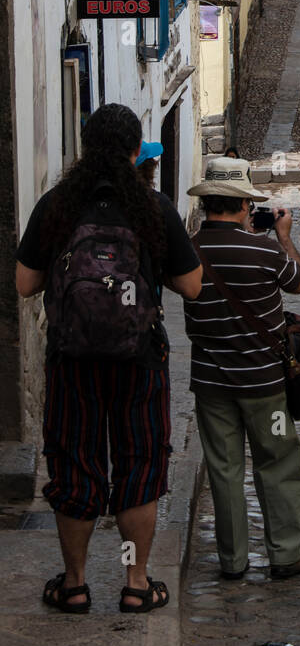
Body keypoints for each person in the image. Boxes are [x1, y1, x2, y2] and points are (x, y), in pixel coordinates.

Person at [15, 104, 202, 615]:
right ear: (133, 150)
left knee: (75, 466)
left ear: (84, 147)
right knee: (138, 464)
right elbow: (190, 284)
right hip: (139, 360)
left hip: (72, 361)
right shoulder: (152, 208)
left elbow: (25, 283)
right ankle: (135, 583)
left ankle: (74, 585)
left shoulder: (58, 205)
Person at [185, 158, 300, 582]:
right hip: (265, 385)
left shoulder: (188, 249)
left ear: (207, 204)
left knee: (223, 470)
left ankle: (232, 560)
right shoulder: (265, 249)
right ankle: (284, 554)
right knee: (276, 461)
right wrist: (283, 236)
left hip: (211, 383)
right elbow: (297, 281)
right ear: (243, 206)